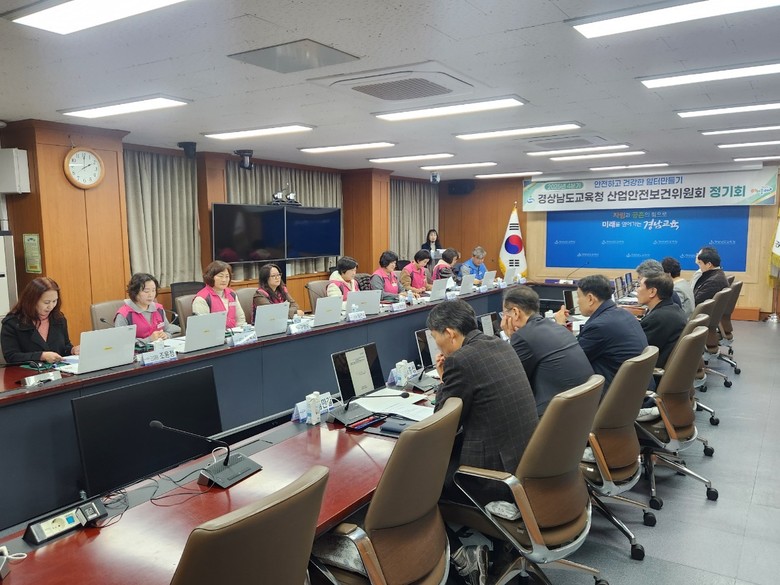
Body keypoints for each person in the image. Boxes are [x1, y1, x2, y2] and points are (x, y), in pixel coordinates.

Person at [428, 299, 537, 585]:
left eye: (436, 337)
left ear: (450, 333)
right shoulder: (500, 344)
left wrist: (443, 381)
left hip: (492, 477)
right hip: (524, 461)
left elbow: (441, 423)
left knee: (421, 486)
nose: (437, 345)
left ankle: (463, 556)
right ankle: (496, 546)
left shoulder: (460, 361)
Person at [501, 286, 593, 417]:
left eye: (505, 313)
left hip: (554, 416)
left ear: (515, 312)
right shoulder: (557, 326)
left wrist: (512, 337)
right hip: (583, 410)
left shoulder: (523, 337)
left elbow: (512, 382)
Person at [554, 274, 647, 394]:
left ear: (590, 299)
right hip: (635, 388)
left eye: (578, 297)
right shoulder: (623, 313)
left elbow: (569, 361)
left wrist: (560, 326)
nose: (577, 302)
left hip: (613, 394)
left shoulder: (599, 326)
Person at [1, 277, 80, 364]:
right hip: (28, 371)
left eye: (54, 301)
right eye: (46, 302)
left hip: (58, 369)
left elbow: (64, 347)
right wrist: (41, 356)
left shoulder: (58, 318)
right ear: (32, 301)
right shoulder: (12, 323)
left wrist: (72, 350)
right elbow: (11, 356)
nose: (51, 306)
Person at [636, 273, 687, 369]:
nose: (637, 290)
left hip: (650, 371)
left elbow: (638, 351)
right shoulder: (672, 308)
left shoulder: (658, 318)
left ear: (652, 291)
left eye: (639, 286)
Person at [114, 273, 180, 343]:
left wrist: (166, 335)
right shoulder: (124, 314)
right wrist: (149, 339)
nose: (151, 295)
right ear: (135, 292)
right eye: (146, 291)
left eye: (153, 290)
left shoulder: (158, 309)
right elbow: (122, 342)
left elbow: (168, 330)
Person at [192, 261, 247, 328]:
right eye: (220, 276)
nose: (224, 280)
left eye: (227, 276)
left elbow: (240, 319)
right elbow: (203, 327)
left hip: (234, 333)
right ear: (211, 277)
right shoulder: (202, 299)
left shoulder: (231, 294)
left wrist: (242, 331)